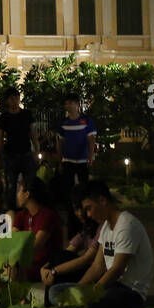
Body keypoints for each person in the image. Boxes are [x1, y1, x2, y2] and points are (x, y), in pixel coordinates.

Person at [49, 180, 154, 308]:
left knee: (89, 304)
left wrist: (92, 292)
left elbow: (116, 269)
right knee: (56, 291)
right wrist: (78, 289)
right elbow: (97, 266)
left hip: (131, 291)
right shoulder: (106, 226)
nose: (88, 215)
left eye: (89, 208)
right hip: (111, 287)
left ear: (103, 201)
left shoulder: (126, 226)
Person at [53, 93, 97, 232]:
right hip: (68, 160)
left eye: (72, 103)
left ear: (77, 104)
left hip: (83, 160)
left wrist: (91, 156)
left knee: (85, 190)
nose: (69, 106)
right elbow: (59, 142)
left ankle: (89, 220)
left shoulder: (86, 121)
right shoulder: (63, 123)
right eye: (67, 103)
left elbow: (91, 140)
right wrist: (59, 161)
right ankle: (73, 223)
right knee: (68, 191)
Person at [0, 87, 39, 203]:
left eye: (17, 98)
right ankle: (11, 210)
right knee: (10, 185)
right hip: (11, 155)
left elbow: (32, 133)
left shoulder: (26, 114)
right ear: (7, 101)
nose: (15, 101)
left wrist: (37, 151)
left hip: (26, 153)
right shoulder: (5, 117)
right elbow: (0, 139)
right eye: (12, 99)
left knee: (30, 183)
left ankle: (31, 206)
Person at [14, 175, 63, 281]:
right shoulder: (21, 215)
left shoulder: (47, 215)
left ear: (27, 194)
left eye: (19, 191)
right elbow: (12, 241)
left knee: (12, 269)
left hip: (44, 266)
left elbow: (34, 246)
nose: (17, 195)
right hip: (26, 264)